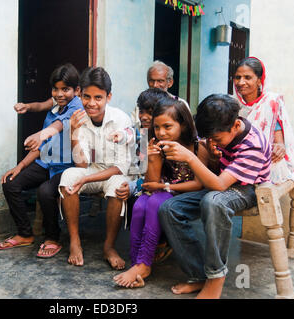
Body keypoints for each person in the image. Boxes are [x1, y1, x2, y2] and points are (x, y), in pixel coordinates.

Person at [158, 94, 271, 299]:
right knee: (169, 208)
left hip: (249, 189)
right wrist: (211, 154)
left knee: (213, 202)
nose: (212, 142)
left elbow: (218, 185)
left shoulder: (253, 145)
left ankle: (216, 278)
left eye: (216, 139)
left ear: (235, 125)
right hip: (223, 182)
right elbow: (218, 176)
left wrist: (190, 158)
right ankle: (198, 275)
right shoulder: (220, 127)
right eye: (209, 138)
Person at [113, 96, 209, 288]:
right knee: (140, 205)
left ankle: (144, 263)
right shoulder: (158, 145)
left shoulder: (198, 147)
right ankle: (138, 264)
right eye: (157, 127)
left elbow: (198, 185)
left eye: (167, 126)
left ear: (182, 124)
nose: (161, 132)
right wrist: (153, 158)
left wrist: (165, 187)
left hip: (185, 194)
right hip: (162, 189)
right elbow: (152, 182)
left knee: (156, 202)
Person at [0, 63, 84, 259]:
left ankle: (53, 238)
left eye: (65, 89)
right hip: (47, 161)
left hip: (68, 166)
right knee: (10, 182)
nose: (60, 94)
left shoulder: (77, 107)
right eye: (56, 89)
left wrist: (41, 135)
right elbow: (41, 106)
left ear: (76, 90)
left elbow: (59, 125)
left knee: (45, 191)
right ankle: (24, 234)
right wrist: (20, 166)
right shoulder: (56, 103)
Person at [59, 67, 133, 269]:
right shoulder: (79, 119)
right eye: (87, 96)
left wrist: (86, 179)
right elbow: (81, 165)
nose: (91, 103)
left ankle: (109, 247)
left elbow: (120, 167)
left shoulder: (121, 119)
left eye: (98, 97)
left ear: (108, 97)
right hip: (92, 169)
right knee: (68, 176)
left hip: (113, 174)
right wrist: (73, 132)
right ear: (80, 94)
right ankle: (75, 241)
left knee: (119, 186)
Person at [232, 57, 294, 186]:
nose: (241, 82)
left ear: (259, 81)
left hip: (262, 160)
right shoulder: (232, 105)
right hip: (238, 157)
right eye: (238, 77)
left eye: (247, 77)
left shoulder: (269, 102)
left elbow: (278, 141)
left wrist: (279, 147)